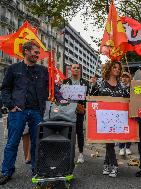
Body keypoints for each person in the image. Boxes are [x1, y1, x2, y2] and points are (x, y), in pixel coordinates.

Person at [0, 40, 66, 185]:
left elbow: (52, 87)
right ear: (26, 51)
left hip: (37, 111)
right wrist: (10, 105)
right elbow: (5, 89)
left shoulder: (43, 70)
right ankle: (6, 172)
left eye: (38, 53)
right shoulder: (13, 69)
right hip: (18, 111)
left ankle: (37, 169)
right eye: (35, 52)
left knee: (38, 143)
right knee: (12, 142)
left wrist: (60, 98)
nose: (38, 55)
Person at [90, 61, 128, 178]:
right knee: (109, 142)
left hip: (117, 119)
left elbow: (128, 99)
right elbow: (91, 97)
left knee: (110, 141)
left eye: (119, 68)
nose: (117, 69)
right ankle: (115, 165)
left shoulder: (122, 85)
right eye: (114, 67)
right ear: (109, 68)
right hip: (103, 118)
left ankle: (106, 164)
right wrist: (91, 86)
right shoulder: (101, 83)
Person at [63, 63, 89, 163]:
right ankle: (68, 152)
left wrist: (85, 107)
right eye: (74, 68)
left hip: (79, 110)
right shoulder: (65, 81)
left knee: (79, 131)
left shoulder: (85, 82)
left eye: (78, 68)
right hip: (68, 110)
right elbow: (62, 96)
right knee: (68, 131)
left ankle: (81, 153)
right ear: (71, 69)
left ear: (80, 70)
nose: (76, 69)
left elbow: (87, 97)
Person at [119, 72, 132, 156]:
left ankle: (127, 147)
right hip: (120, 111)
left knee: (129, 129)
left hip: (130, 110)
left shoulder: (132, 87)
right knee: (121, 129)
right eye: (123, 77)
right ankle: (121, 147)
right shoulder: (118, 87)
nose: (124, 79)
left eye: (126, 77)